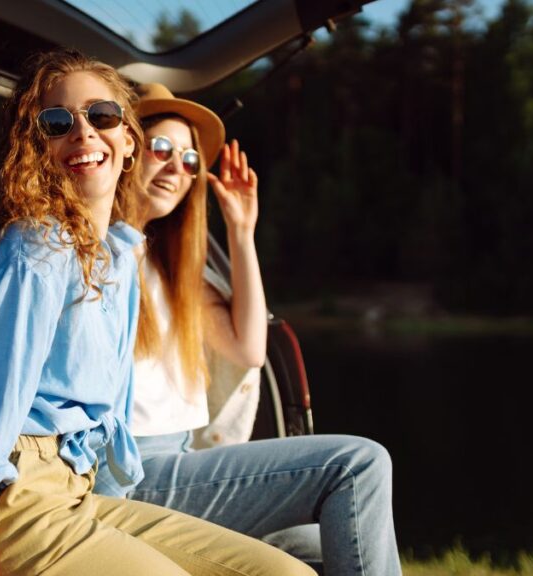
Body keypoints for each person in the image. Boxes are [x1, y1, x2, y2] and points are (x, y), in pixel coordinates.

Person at [0, 50, 315, 576]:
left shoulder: (118, 259)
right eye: (57, 123)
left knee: (288, 572)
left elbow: (114, 420)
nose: (83, 132)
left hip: (79, 495)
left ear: (128, 142)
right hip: (20, 504)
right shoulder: (36, 251)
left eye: (101, 116)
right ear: (38, 149)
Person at [94, 83, 402, 576]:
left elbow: (249, 347)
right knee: (358, 465)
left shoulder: (173, 269)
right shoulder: (97, 253)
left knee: (324, 547)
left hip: (182, 459)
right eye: (163, 149)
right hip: (133, 474)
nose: (178, 167)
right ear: (126, 150)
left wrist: (241, 231)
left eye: (191, 160)